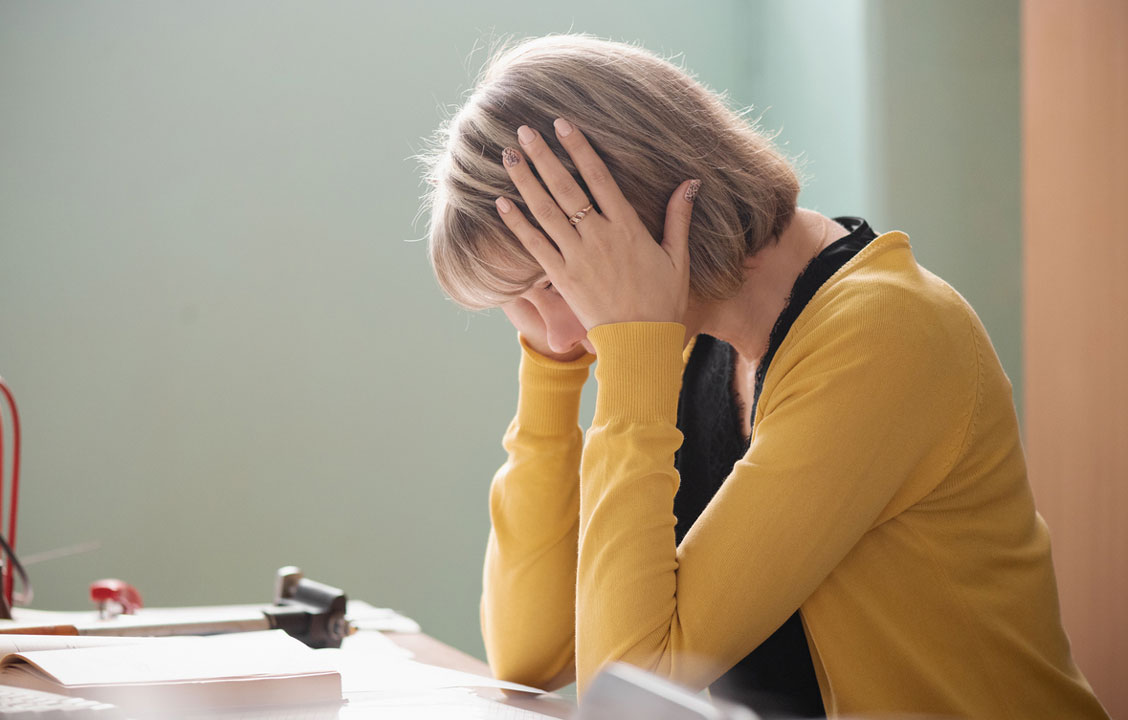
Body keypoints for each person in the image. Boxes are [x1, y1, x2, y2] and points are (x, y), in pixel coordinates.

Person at [415, 33, 1109, 719]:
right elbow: (530, 656)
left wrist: (632, 356)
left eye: (555, 282)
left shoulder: (882, 334)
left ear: (637, 206)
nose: (565, 333)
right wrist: (551, 371)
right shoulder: (684, 342)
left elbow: (624, 691)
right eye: (522, 306)